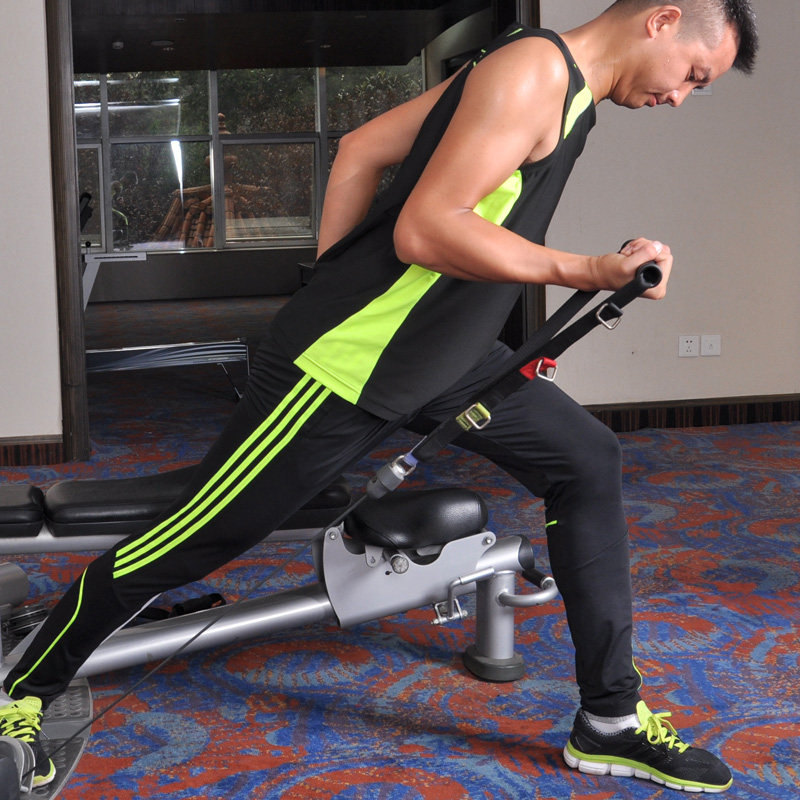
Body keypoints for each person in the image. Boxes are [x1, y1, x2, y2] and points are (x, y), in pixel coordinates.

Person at [0, 1, 757, 793]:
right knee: (195, 538)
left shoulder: (558, 89)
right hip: (348, 365)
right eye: (693, 76)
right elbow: (424, 230)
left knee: (586, 460)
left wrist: (333, 276)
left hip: (444, 356)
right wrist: (586, 269)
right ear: (663, 19)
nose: (680, 98)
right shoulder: (533, 70)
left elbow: (360, 148)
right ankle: (25, 689)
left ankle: (610, 719)